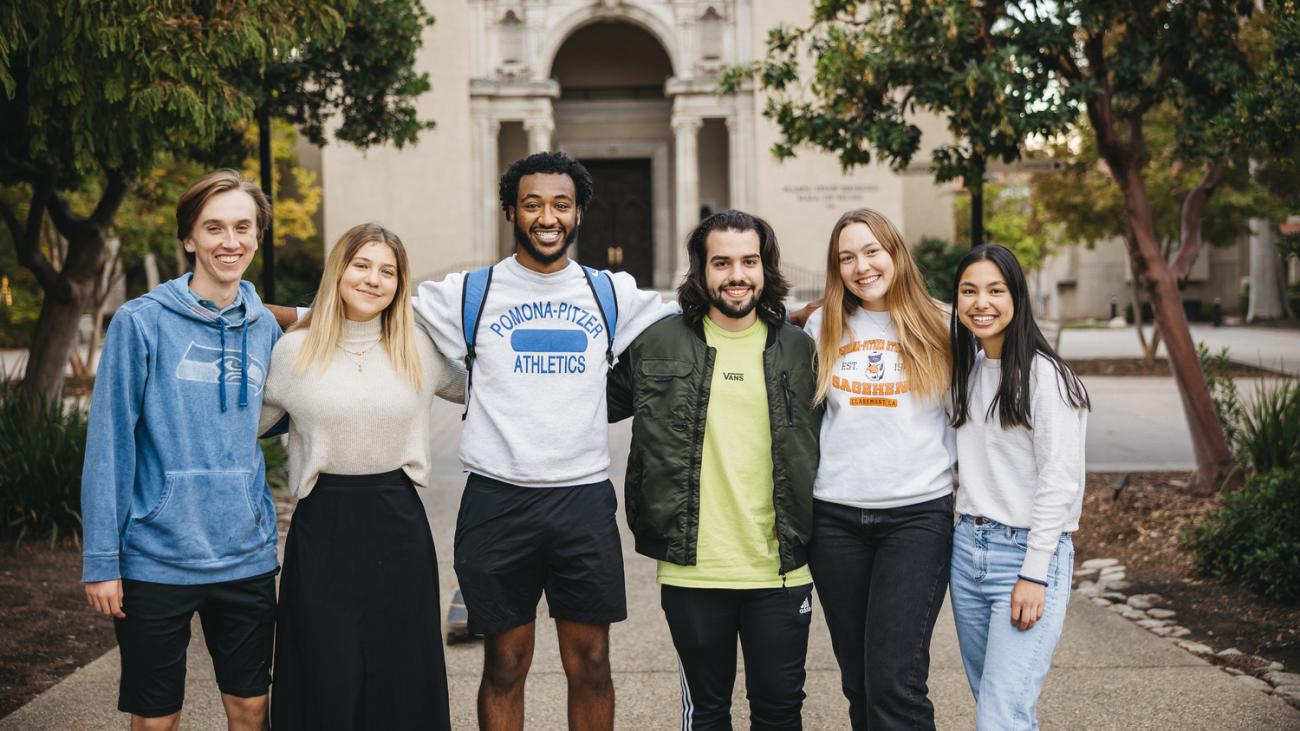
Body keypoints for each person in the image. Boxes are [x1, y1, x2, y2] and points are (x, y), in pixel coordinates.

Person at [405, 151, 675, 730]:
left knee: (593, 664)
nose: (546, 216)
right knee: (505, 664)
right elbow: (369, 313)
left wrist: (801, 315)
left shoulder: (610, 294)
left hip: (581, 500)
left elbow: (698, 324)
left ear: (579, 213)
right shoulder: (470, 293)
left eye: (560, 204)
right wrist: (271, 315)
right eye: (532, 204)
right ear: (511, 212)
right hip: (497, 501)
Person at [81, 169, 280, 730]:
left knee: (251, 710)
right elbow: (109, 445)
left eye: (243, 227)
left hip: (246, 556)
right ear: (189, 238)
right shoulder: (139, 323)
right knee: (156, 719)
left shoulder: (265, 328)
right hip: (156, 560)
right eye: (213, 228)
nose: (230, 241)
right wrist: (101, 561)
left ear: (257, 236)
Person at [608, 210, 821, 729]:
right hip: (692, 568)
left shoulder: (802, 348)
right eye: (721, 263)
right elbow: (580, 404)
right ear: (701, 271)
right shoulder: (656, 343)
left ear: (765, 269)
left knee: (779, 712)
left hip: (783, 567)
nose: (736, 275)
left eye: (749, 261)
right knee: (706, 714)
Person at [258, 222, 465, 729]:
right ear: (339, 271)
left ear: (400, 283)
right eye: (362, 265)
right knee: (326, 668)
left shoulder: (418, 348)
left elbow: (490, 386)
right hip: (322, 524)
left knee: (401, 671)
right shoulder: (291, 353)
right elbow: (234, 431)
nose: (374, 279)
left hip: (398, 521)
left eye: (388, 271)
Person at [803, 208, 955, 731]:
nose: (861, 266)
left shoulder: (944, 324)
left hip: (916, 518)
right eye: (847, 257)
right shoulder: (822, 324)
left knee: (896, 681)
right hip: (835, 520)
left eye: (872, 251)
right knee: (859, 681)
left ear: (894, 254)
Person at [947, 244, 1089, 730]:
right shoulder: (963, 369)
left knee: (1000, 716)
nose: (980, 302)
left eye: (995, 290)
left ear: (1017, 296)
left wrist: (1034, 572)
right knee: (996, 704)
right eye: (968, 291)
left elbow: (1060, 482)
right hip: (968, 551)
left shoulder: (1047, 377)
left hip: (1025, 555)